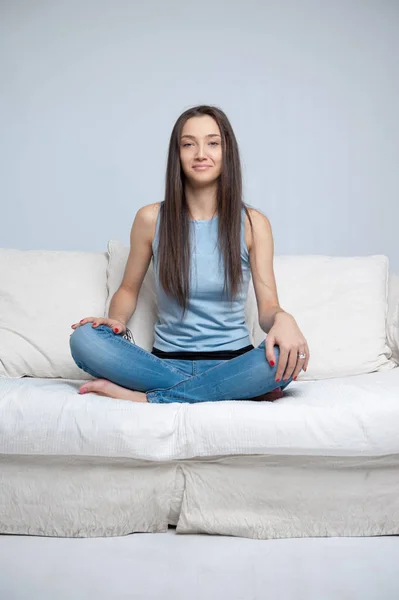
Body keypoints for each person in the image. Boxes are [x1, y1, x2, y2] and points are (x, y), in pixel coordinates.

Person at [69, 105, 309, 404]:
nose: (200, 153)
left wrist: (284, 319)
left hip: (234, 363)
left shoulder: (252, 224)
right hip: (165, 364)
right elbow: (129, 288)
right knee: (84, 339)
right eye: (188, 144)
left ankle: (150, 398)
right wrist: (115, 321)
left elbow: (268, 306)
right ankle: (221, 392)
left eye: (212, 143)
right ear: (177, 154)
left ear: (226, 152)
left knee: (287, 357)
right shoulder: (150, 218)